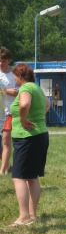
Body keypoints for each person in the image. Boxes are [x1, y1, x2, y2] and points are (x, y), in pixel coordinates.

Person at [8, 63, 50, 227]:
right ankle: (32, 215)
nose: (14, 80)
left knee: (18, 177)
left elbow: (24, 104)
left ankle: (23, 216)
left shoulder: (25, 89)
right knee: (32, 177)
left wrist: (24, 119)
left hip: (27, 137)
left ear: (20, 76)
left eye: (15, 77)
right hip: (40, 134)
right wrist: (38, 117)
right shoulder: (37, 88)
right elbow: (47, 105)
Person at [0, 47, 18, 175]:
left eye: (3, 61)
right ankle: (8, 165)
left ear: (9, 61)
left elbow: (20, 91)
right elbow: (6, 91)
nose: (1, 63)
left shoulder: (15, 74)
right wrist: (6, 91)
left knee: (6, 140)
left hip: (9, 112)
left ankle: (4, 169)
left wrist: (13, 92)